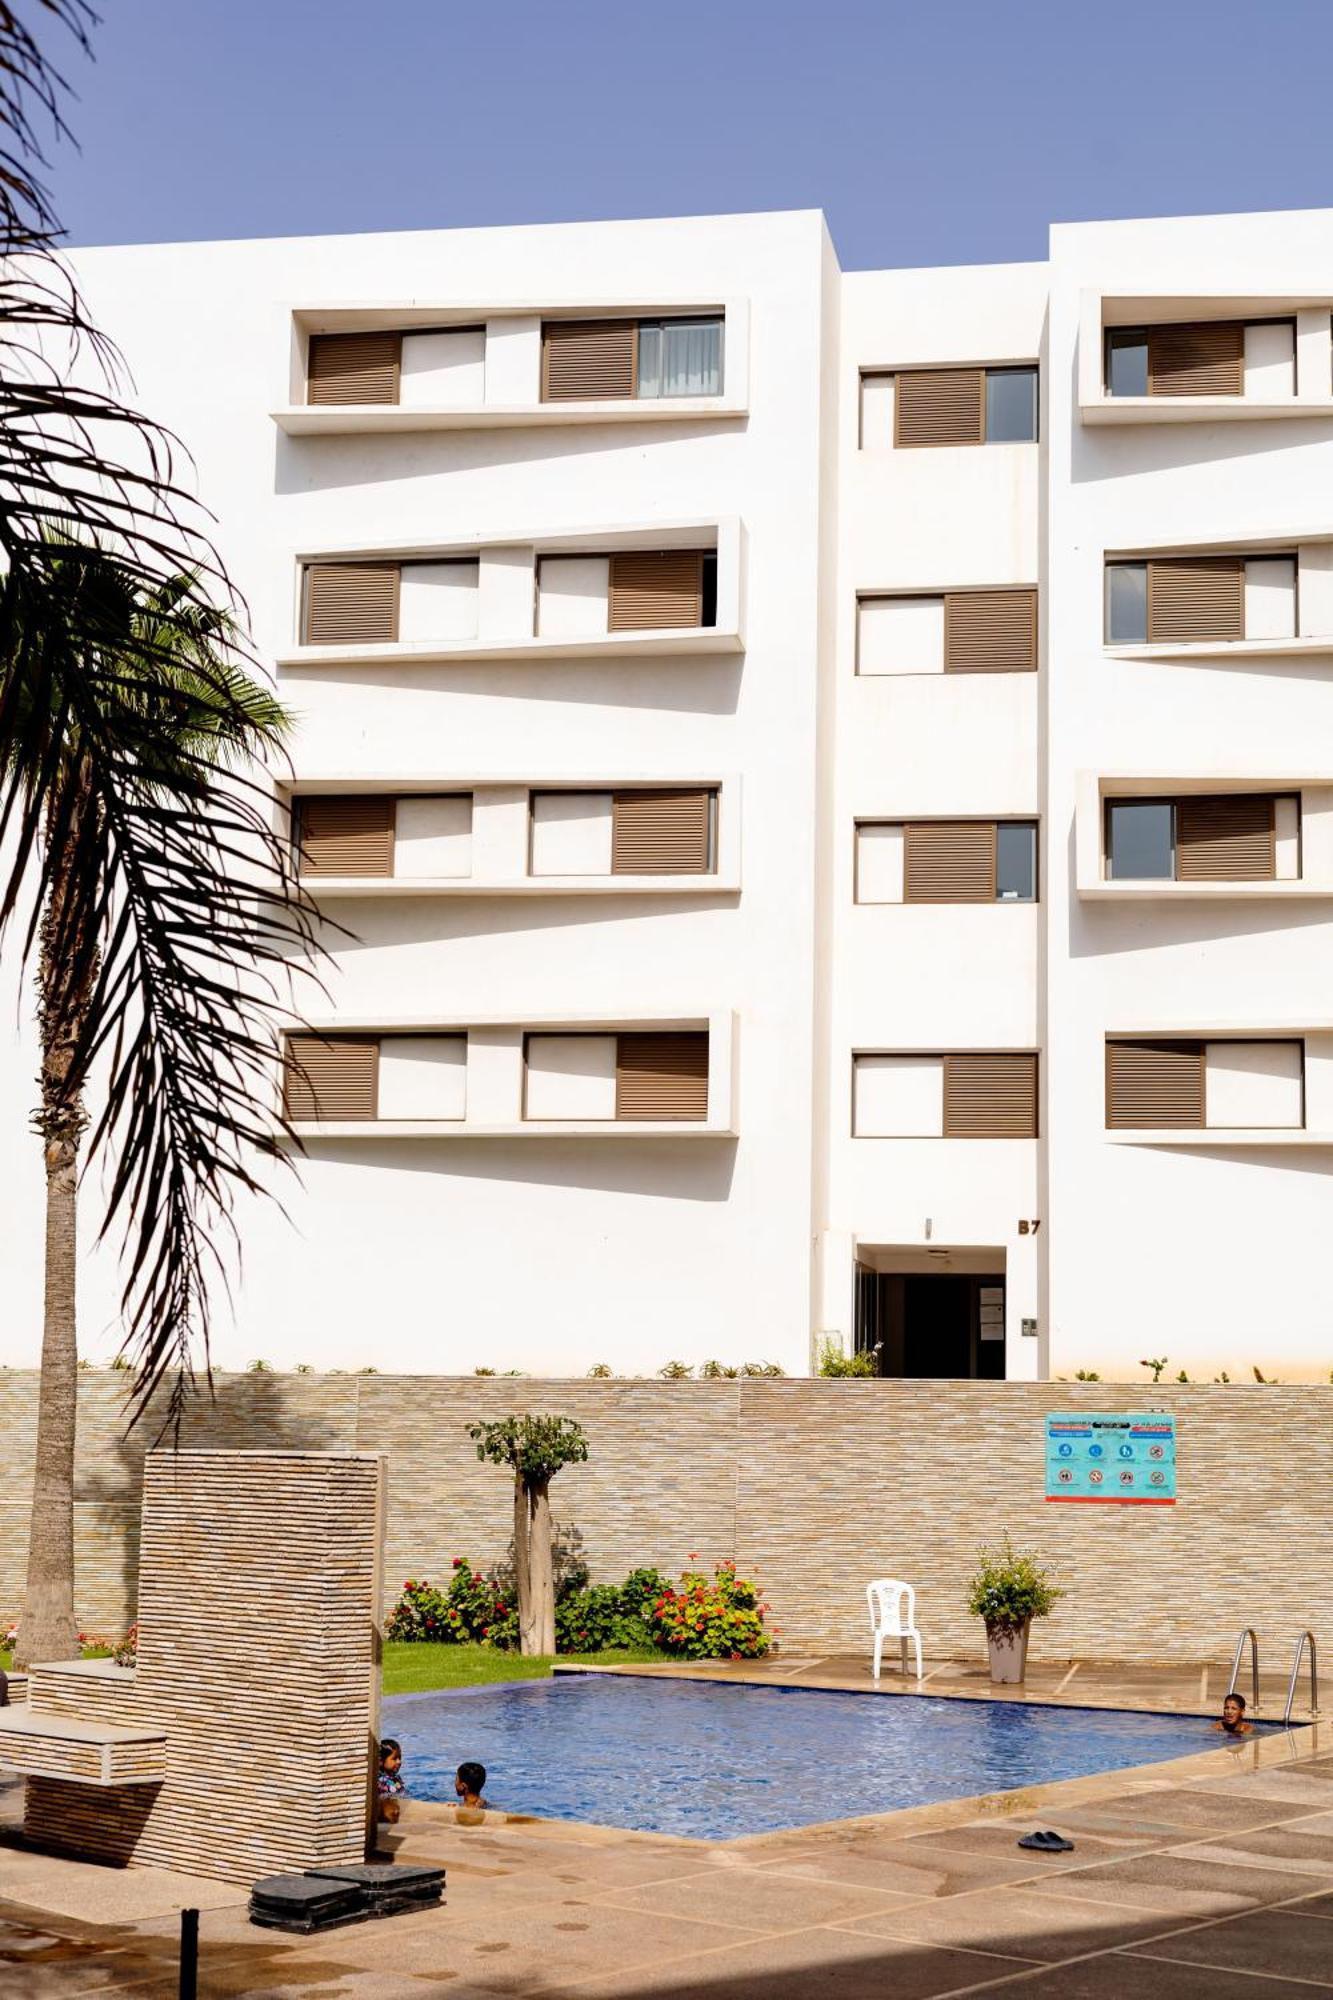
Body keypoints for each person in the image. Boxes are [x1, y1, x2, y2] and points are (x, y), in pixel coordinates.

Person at [377, 1737, 406, 1822]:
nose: (399, 1762)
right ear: (380, 1761)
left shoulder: (393, 1778)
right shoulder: (383, 1782)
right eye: (394, 1758)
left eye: (399, 1758)